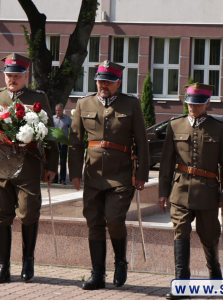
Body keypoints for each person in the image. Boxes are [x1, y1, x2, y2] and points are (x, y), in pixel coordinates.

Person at [0, 53, 59, 284]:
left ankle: (28, 260)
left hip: (28, 163)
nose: (12, 79)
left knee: (29, 212)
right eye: (9, 75)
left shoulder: (37, 97)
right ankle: (3, 265)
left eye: (16, 76)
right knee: (0, 215)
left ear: (25, 75)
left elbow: (52, 133)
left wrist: (52, 164)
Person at [68, 61, 150, 290]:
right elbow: (75, 142)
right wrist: (74, 172)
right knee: (94, 222)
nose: (103, 84)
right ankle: (97, 274)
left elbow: (142, 142)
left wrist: (142, 172)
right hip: (93, 173)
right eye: (100, 80)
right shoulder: (84, 103)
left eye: (108, 81)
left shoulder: (131, 104)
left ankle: (120, 261)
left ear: (118, 82)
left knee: (114, 219)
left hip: (121, 174)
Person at [158, 83, 223, 299]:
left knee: (209, 236)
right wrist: (163, 192)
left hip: (208, 192)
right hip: (180, 189)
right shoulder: (175, 125)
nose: (193, 107)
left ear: (207, 103)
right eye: (190, 103)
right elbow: (166, 163)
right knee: (180, 233)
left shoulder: (219, 129)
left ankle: (214, 270)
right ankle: (182, 284)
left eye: (198, 103)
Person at [52, 103, 72, 185]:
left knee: (63, 161)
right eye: (56, 110)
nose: (57, 112)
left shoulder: (68, 119)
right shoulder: (52, 118)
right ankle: (55, 178)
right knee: (54, 161)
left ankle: (63, 179)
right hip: (54, 143)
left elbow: (73, 129)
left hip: (63, 143)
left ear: (62, 110)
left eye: (59, 110)